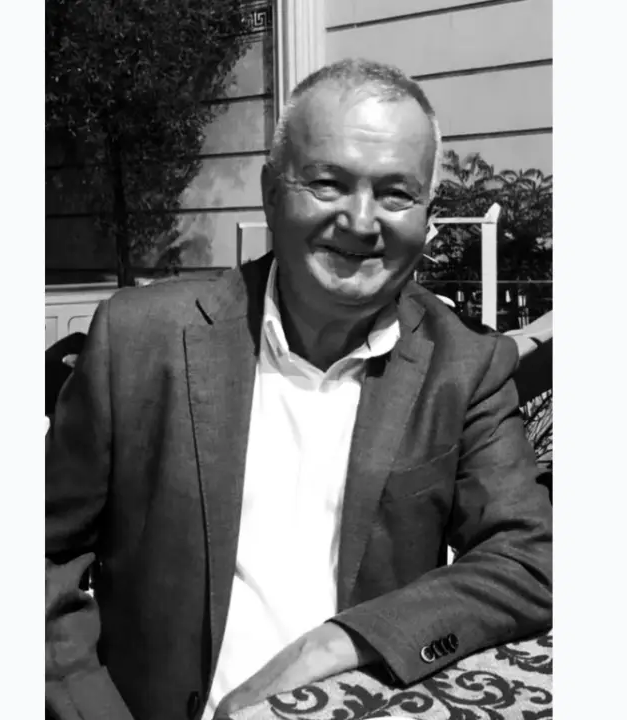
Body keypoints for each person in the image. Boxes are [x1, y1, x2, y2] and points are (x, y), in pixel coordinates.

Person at [46, 58, 552, 720]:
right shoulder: (141, 339)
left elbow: (529, 559)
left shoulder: (464, 366)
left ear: (428, 215)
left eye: (396, 193)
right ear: (270, 192)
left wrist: (341, 644)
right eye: (328, 183)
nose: (361, 221)